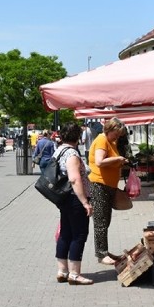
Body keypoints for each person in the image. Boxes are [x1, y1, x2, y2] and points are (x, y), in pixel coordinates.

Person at [52, 122, 94, 285]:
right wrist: (85, 202)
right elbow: (74, 179)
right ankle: (75, 274)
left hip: (64, 198)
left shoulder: (59, 151)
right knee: (79, 235)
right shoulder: (72, 154)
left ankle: (62, 271)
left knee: (66, 233)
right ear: (78, 137)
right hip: (75, 198)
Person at [88, 117, 129, 265]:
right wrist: (118, 159)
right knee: (101, 220)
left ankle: (104, 250)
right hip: (99, 184)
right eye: (116, 134)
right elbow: (99, 162)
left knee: (106, 219)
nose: (117, 137)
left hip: (108, 185)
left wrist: (120, 162)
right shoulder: (101, 140)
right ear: (110, 130)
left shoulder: (110, 141)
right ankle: (101, 253)